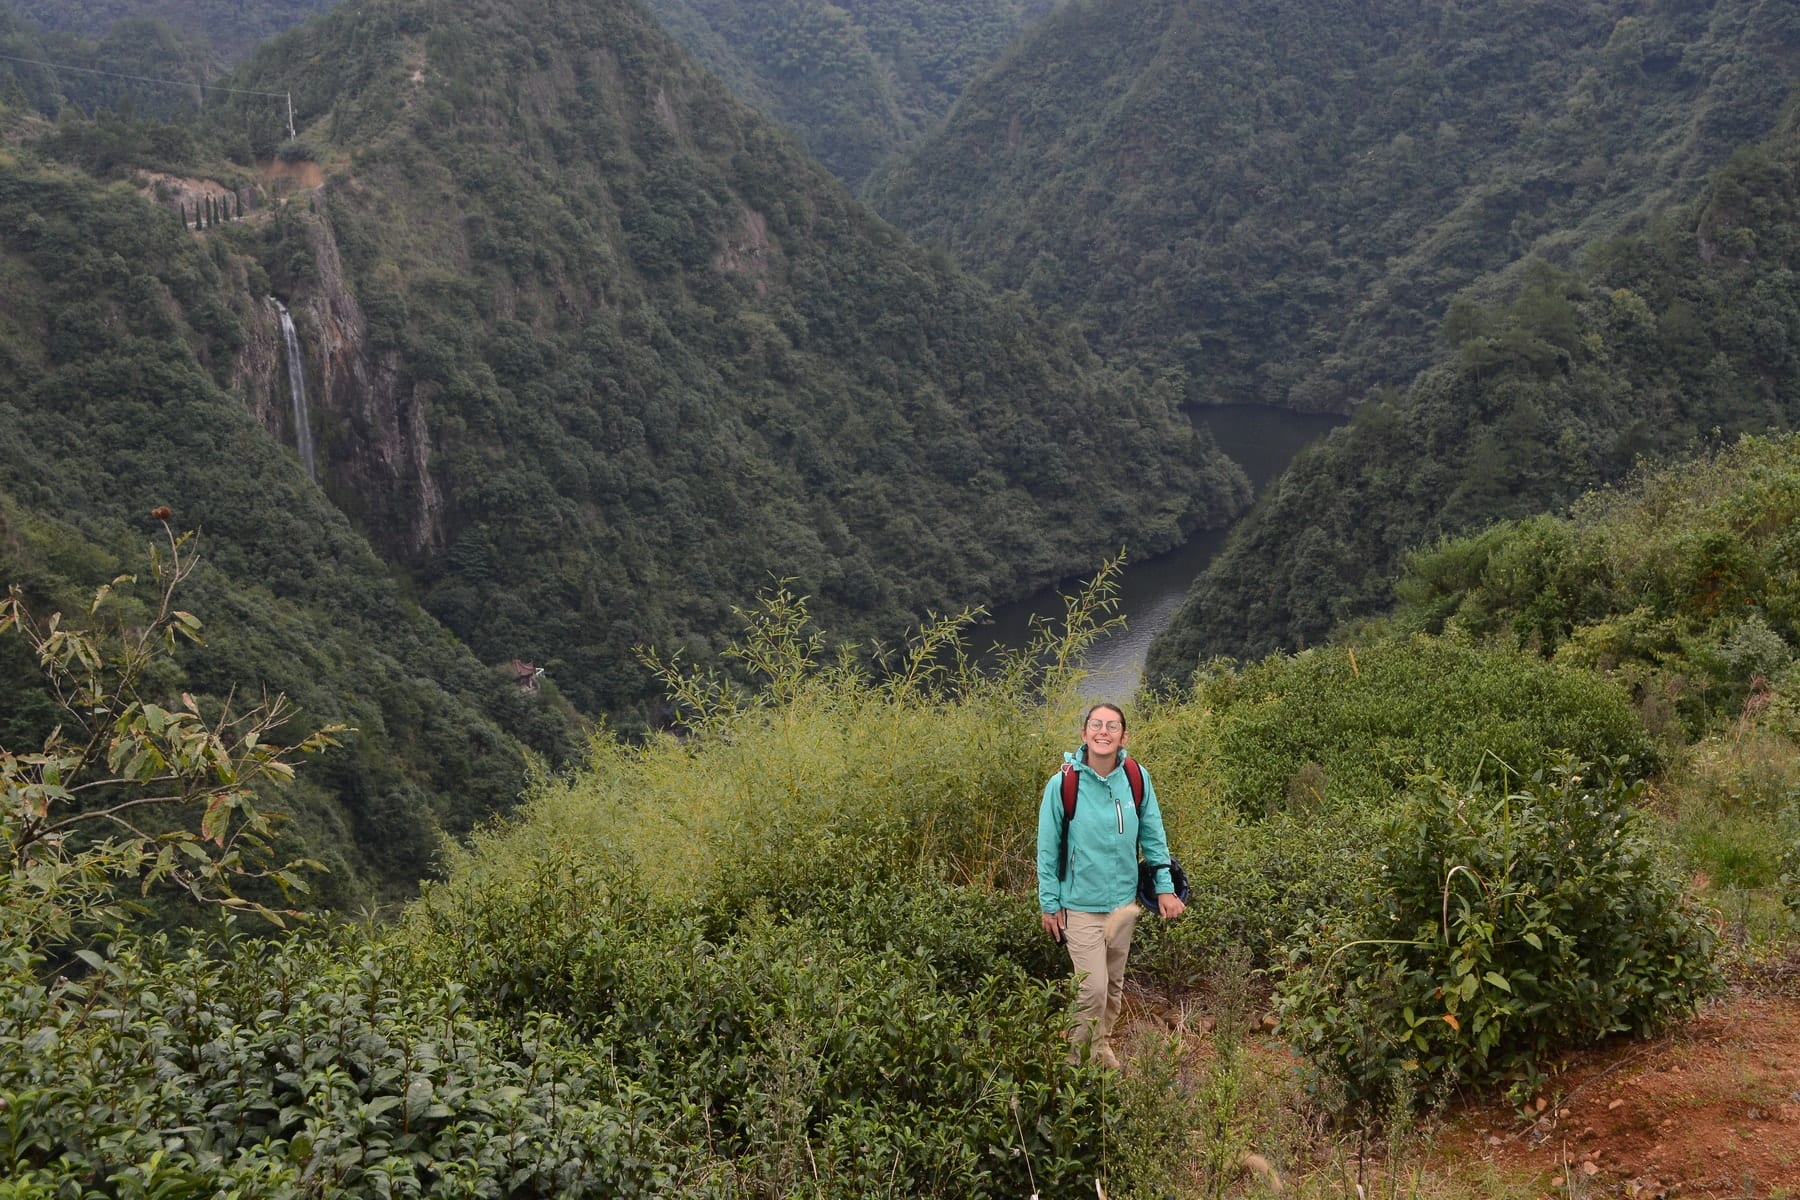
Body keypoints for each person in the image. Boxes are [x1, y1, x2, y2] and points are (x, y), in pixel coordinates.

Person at [1037, 702, 1184, 1068]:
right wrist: (1049, 903)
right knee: (1092, 989)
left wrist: (1164, 886)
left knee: (1113, 990)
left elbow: (1153, 835)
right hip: (1080, 904)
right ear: (1084, 733)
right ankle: (1075, 1066)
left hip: (1123, 904)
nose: (1104, 732)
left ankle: (1100, 1049)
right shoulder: (1063, 784)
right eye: (1096, 725)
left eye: (1112, 726)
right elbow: (1046, 848)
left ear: (1123, 736)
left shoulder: (1136, 777)